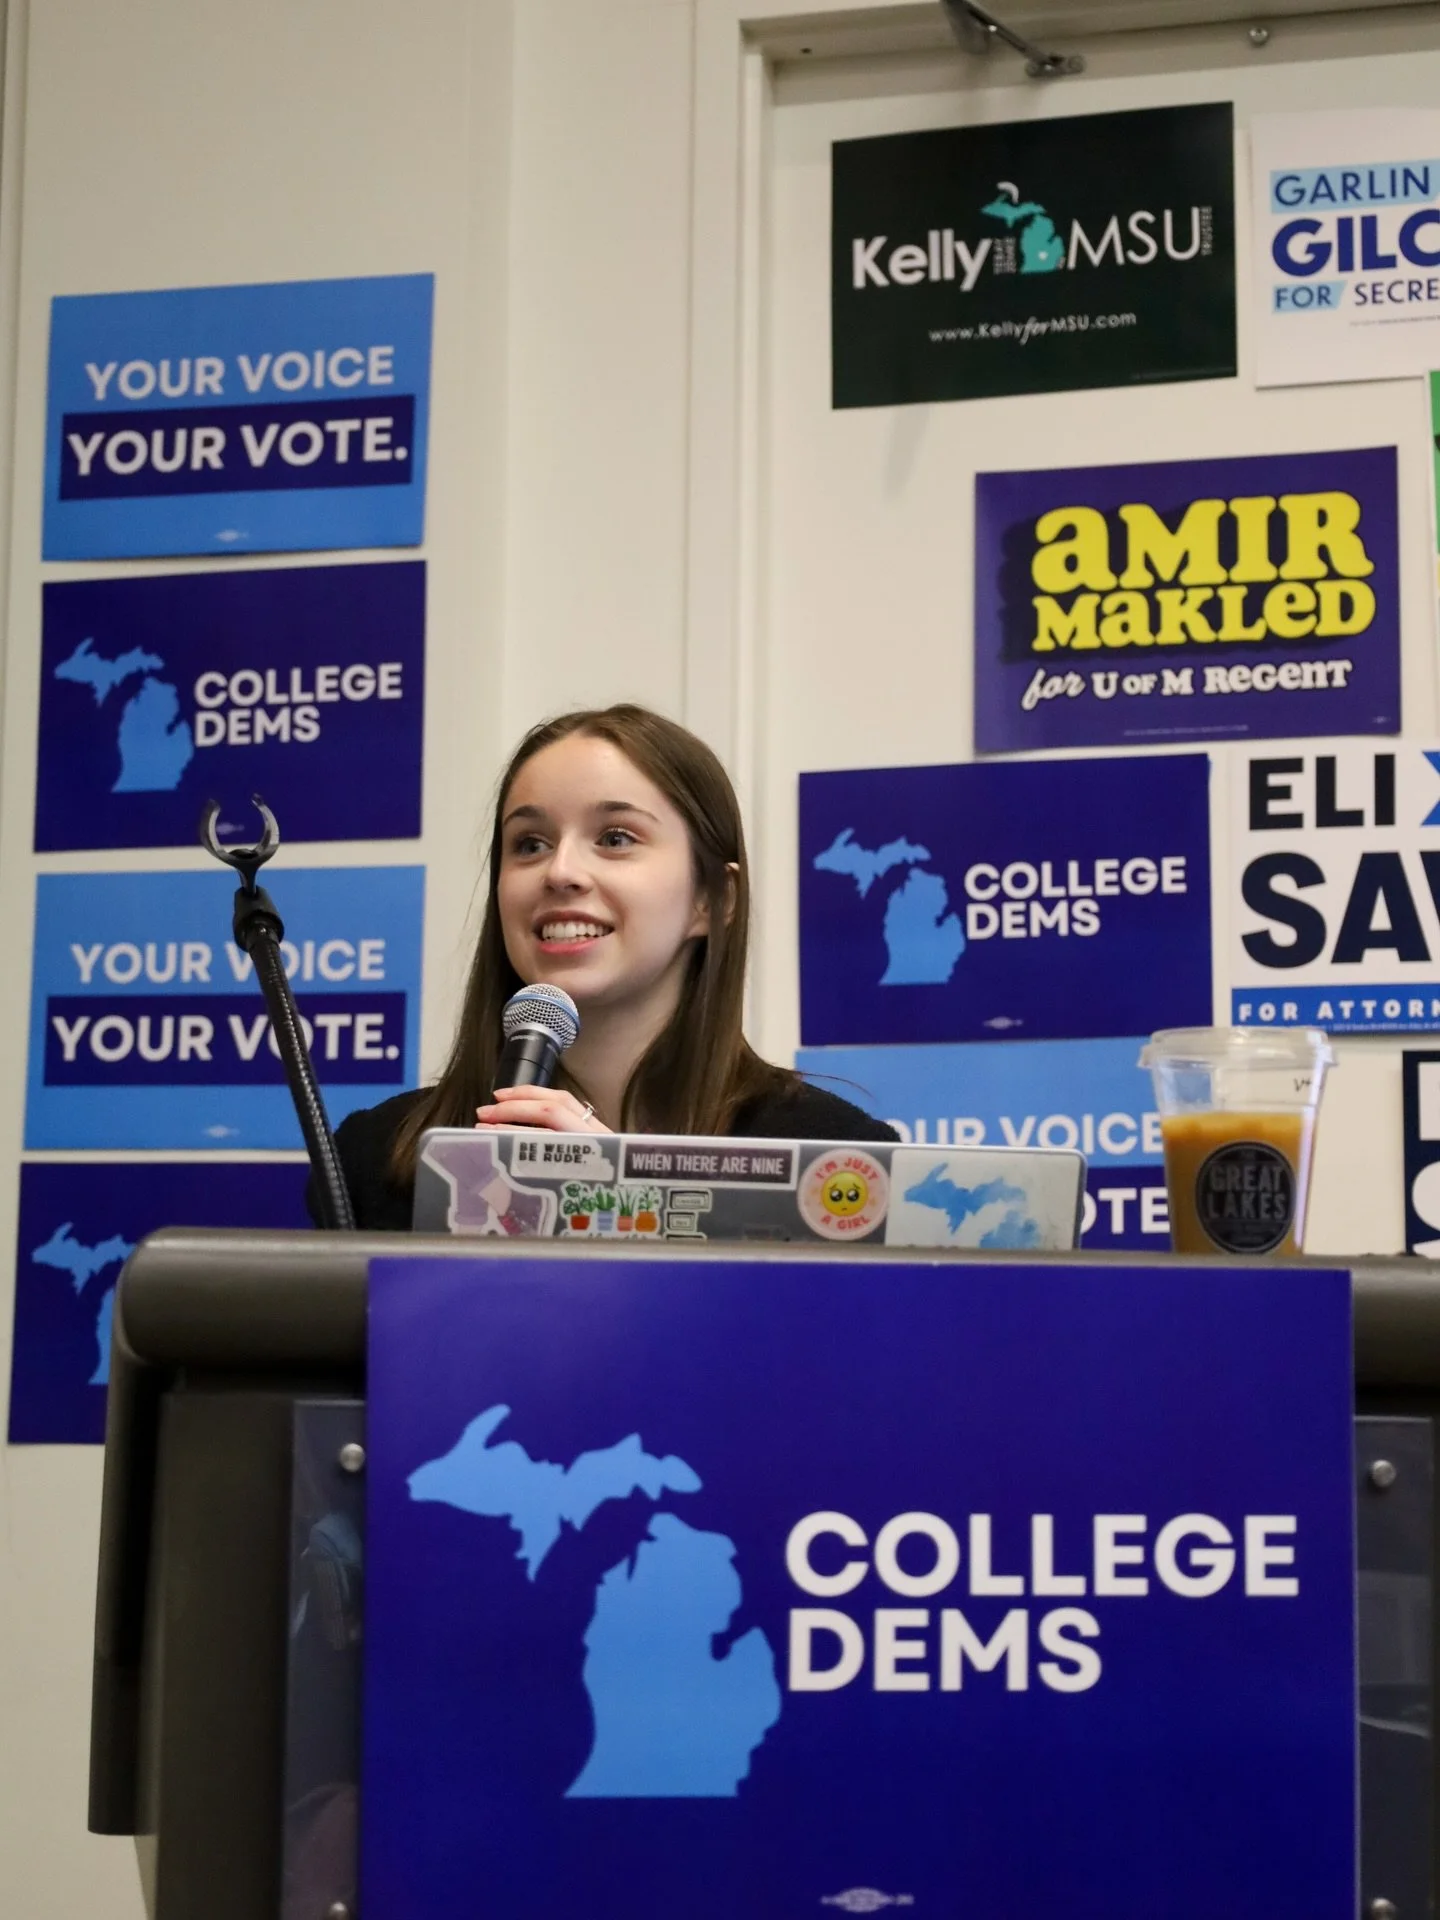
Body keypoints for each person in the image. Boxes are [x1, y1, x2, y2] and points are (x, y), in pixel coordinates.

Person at [313, 704, 896, 1230]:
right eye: (530, 843)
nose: (560, 871)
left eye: (615, 838)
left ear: (712, 900)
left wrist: (620, 1205)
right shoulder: (372, 1160)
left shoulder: (837, 1162)